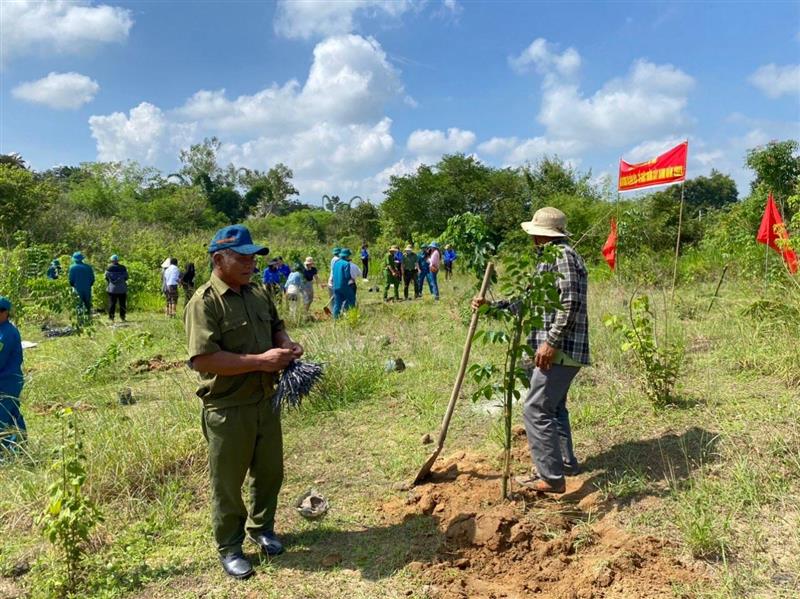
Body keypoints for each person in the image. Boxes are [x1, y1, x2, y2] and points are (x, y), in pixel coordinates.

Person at [185, 224, 302, 580]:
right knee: (228, 482)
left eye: (254, 257)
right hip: (228, 408)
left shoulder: (258, 293)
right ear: (219, 259)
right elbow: (203, 360)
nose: (251, 263)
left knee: (269, 473)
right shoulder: (204, 303)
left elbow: (277, 327)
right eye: (243, 257)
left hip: (266, 400)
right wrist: (259, 362)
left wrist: (287, 345)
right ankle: (230, 546)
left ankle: (262, 529)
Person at [472, 207, 589, 494]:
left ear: (540, 235)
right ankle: (564, 463)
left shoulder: (563, 257)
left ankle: (550, 478)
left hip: (560, 349)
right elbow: (527, 302)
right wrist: (493, 307)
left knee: (536, 408)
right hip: (557, 348)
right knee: (554, 407)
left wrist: (551, 342)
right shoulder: (548, 259)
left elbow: (570, 302)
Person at [0, 297, 25, 454]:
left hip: (7, 381)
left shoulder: (7, 333)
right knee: (12, 415)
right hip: (8, 381)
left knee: (2, 417)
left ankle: (7, 453)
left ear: (6, 312)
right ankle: (19, 448)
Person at [332, 248, 357, 317]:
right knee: (352, 299)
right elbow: (347, 276)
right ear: (347, 256)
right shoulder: (346, 264)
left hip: (335, 286)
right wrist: (351, 278)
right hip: (344, 286)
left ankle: (335, 318)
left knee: (337, 303)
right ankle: (352, 315)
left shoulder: (335, 263)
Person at [68, 252, 95, 317]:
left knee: (78, 304)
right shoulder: (88, 267)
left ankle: (79, 319)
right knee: (87, 303)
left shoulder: (72, 267)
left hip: (77, 287)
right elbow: (92, 278)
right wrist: (89, 285)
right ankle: (89, 317)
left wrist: (72, 285)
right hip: (87, 288)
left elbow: (71, 279)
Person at [104, 254, 129, 322]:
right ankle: (122, 317)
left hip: (112, 289)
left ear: (111, 260)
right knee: (122, 304)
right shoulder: (123, 268)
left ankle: (111, 317)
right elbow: (126, 277)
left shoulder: (108, 268)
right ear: (118, 260)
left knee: (112, 303)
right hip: (122, 289)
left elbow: (106, 278)